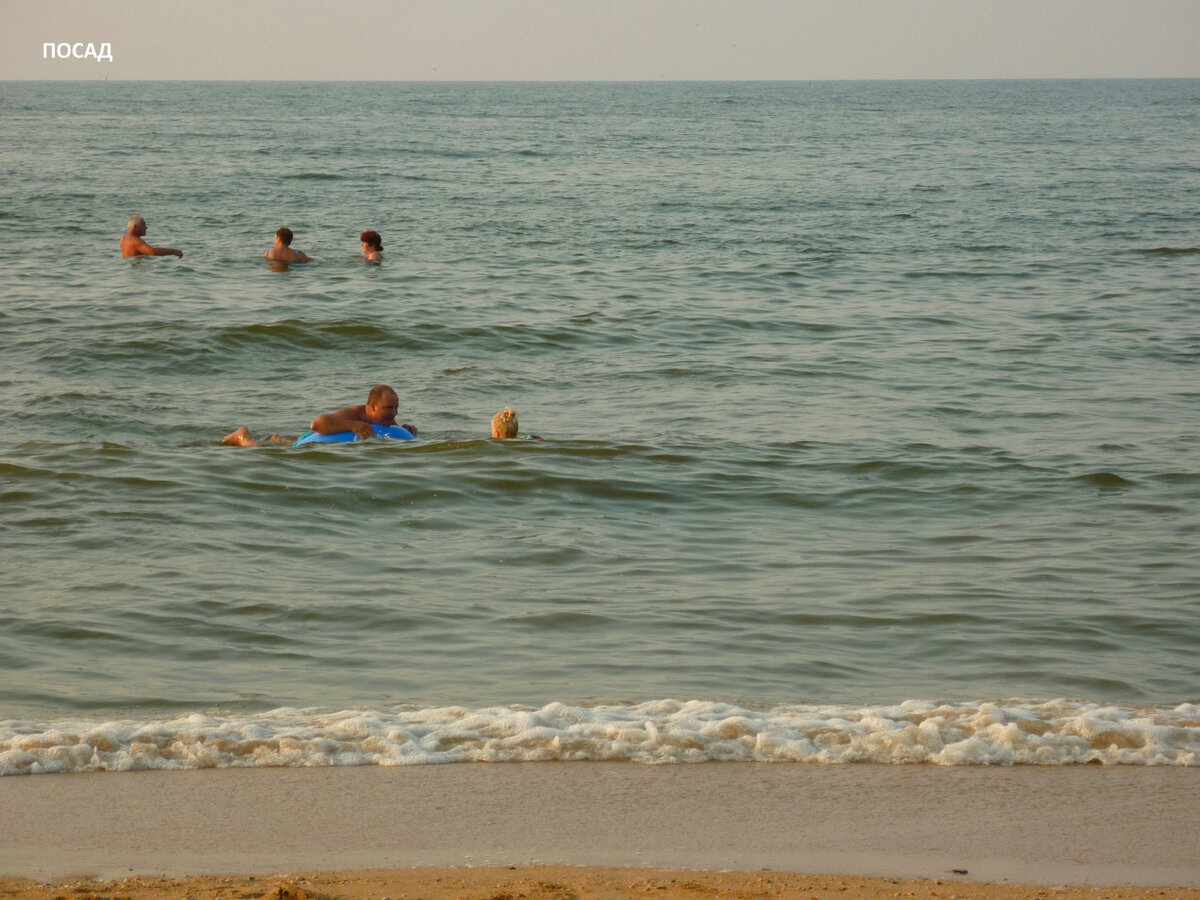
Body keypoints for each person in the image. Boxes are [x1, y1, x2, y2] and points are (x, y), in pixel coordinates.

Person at [221, 384, 417, 447]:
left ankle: (278, 440)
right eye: (389, 408)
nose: (394, 413)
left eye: (396, 407)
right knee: (265, 458)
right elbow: (317, 424)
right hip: (313, 436)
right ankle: (243, 437)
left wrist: (406, 430)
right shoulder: (353, 414)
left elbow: (389, 432)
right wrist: (352, 426)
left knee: (286, 445)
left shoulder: (381, 419)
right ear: (372, 407)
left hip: (313, 439)